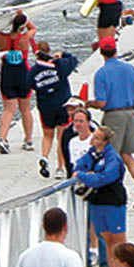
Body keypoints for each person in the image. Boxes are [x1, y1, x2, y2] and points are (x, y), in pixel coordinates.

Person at [89, 37, 134, 209]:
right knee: (128, 155)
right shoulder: (130, 69)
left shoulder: (101, 73)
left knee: (112, 156)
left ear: (101, 53)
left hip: (113, 117)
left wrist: (88, 103)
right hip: (131, 113)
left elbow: (101, 103)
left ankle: (115, 190)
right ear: (116, 50)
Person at [73, 126, 127, 267]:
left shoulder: (113, 158)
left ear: (104, 141)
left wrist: (85, 176)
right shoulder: (92, 154)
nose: (92, 139)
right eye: (93, 136)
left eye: (96, 137)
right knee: (106, 237)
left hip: (113, 201)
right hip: (97, 201)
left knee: (119, 239)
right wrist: (85, 174)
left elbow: (104, 178)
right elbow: (78, 166)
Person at [28, 41, 80, 178]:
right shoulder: (59, 65)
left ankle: (44, 156)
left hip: (45, 106)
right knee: (61, 137)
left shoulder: (33, 71)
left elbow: (30, 85)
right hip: (63, 105)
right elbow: (74, 60)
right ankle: (60, 168)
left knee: (47, 135)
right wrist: (63, 55)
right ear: (49, 51)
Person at [0, 11, 36, 155]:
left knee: (8, 109)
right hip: (23, 74)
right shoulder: (25, 38)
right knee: (25, 109)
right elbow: (33, 28)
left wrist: (3, 21)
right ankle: (28, 140)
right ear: (22, 26)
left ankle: (3, 138)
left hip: (7, 74)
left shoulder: (1, 39)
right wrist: (23, 16)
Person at [58, 100, 97, 180]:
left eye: (74, 108)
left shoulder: (96, 132)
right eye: (69, 109)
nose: (71, 111)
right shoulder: (68, 134)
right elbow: (68, 158)